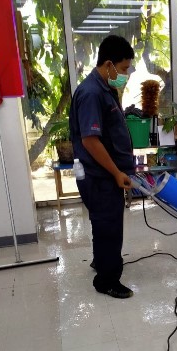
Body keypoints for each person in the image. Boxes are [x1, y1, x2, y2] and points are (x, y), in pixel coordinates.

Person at [69, 35, 135, 299]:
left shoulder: (104, 89)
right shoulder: (91, 93)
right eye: (124, 68)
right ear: (109, 64)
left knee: (102, 221)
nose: (125, 74)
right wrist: (117, 172)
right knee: (109, 225)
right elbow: (90, 140)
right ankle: (107, 281)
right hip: (100, 176)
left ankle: (101, 260)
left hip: (104, 174)